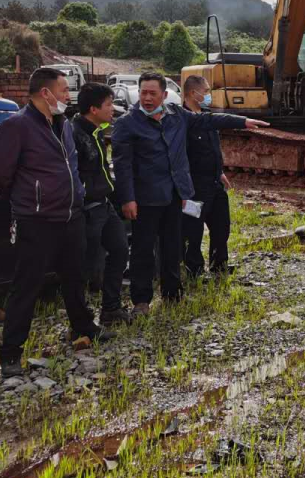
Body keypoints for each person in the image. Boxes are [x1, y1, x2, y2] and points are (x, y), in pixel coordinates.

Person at [0, 67, 112, 379]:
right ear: (46, 93)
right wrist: (29, 200)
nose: (68, 97)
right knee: (26, 286)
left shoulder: (63, 125)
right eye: (63, 91)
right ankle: (11, 353)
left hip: (70, 217)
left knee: (74, 278)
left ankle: (83, 327)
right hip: (37, 221)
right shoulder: (16, 126)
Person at [111, 72, 267, 314]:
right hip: (146, 198)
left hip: (175, 195)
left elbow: (208, 120)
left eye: (153, 93)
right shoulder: (127, 124)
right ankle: (141, 300)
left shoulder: (176, 115)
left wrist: (242, 121)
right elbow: (122, 166)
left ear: (164, 95)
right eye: (143, 93)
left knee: (173, 247)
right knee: (143, 249)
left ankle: (173, 293)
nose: (147, 98)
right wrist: (128, 198)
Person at [72, 82, 131, 326]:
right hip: (87, 210)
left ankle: (111, 308)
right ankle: (81, 321)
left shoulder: (97, 130)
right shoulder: (74, 134)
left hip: (103, 205)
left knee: (119, 251)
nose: (113, 110)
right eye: (109, 105)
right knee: (85, 266)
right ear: (94, 109)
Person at [181, 75, 232, 277]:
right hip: (194, 186)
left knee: (221, 226)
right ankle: (194, 269)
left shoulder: (208, 116)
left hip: (214, 182)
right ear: (194, 93)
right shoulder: (182, 120)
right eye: (207, 91)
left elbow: (213, 148)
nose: (209, 95)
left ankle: (219, 265)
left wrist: (220, 172)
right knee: (192, 229)